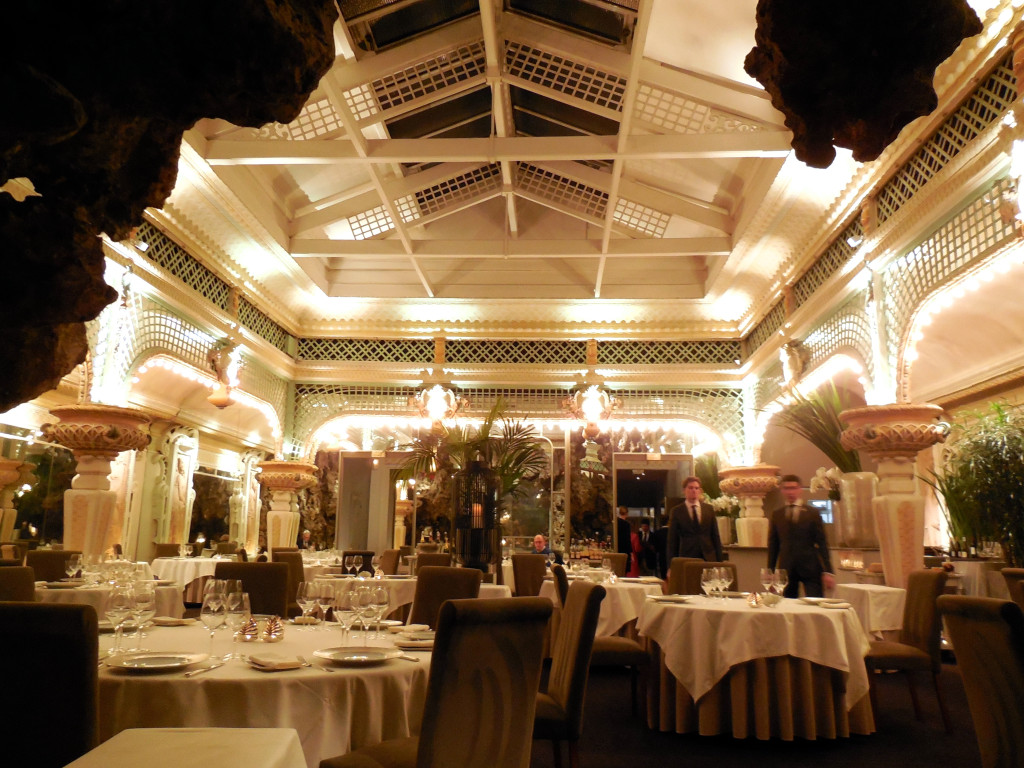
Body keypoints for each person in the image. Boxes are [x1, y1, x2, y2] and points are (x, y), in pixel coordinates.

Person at [768, 474, 835, 598]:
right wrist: (770, 572)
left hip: (811, 567)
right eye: (787, 488)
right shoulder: (777, 514)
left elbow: (822, 543)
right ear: (782, 490)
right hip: (786, 568)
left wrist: (828, 571)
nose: (790, 492)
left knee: (815, 603)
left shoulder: (812, 513)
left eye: (793, 488)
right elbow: (773, 545)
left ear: (800, 490)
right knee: (788, 606)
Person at [667, 476, 723, 563]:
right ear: (684, 490)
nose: (694, 490)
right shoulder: (677, 511)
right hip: (687, 556)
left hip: (708, 556)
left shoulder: (708, 509)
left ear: (700, 491)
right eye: (690, 488)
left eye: (696, 488)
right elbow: (672, 541)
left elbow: (715, 536)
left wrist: (720, 561)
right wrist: (670, 566)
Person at [616, 505, 632, 569]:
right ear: (626, 513)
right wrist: (630, 553)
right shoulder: (626, 525)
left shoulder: (615, 523)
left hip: (616, 549)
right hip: (624, 550)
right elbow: (627, 540)